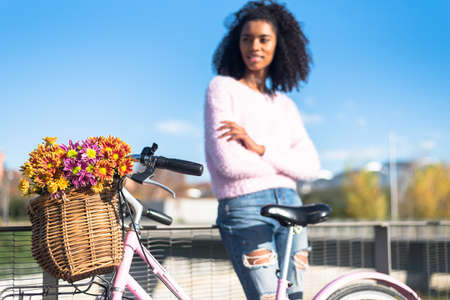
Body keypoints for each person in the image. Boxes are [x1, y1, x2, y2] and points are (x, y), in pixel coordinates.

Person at [204, 1, 320, 299]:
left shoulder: (285, 105)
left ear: (278, 45)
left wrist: (259, 148)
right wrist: (283, 163)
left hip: (293, 205)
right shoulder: (222, 89)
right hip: (244, 207)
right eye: (246, 38)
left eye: (263, 39)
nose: (254, 46)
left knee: (294, 298)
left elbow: (311, 166)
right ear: (236, 43)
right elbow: (227, 163)